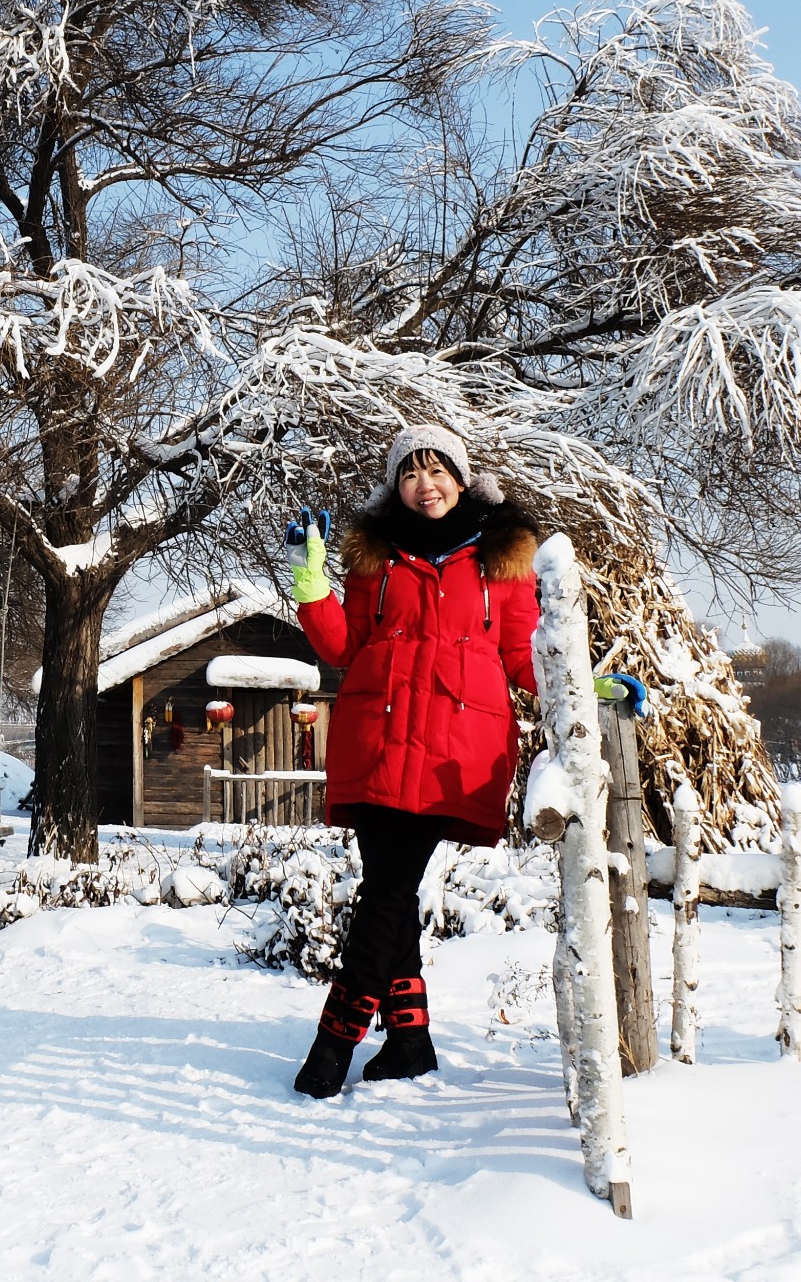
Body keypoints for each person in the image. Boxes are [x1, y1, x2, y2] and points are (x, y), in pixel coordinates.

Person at [284, 424, 541, 1097]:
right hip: (377, 738)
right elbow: (345, 645)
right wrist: (312, 587)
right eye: (409, 474)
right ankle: (408, 1040)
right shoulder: (376, 559)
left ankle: (332, 1045)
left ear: (461, 479)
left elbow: (524, 656)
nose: (424, 486)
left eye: (436, 471)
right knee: (388, 898)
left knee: (387, 893)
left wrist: (586, 684)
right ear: (397, 486)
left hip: (456, 751)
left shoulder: (502, 562)